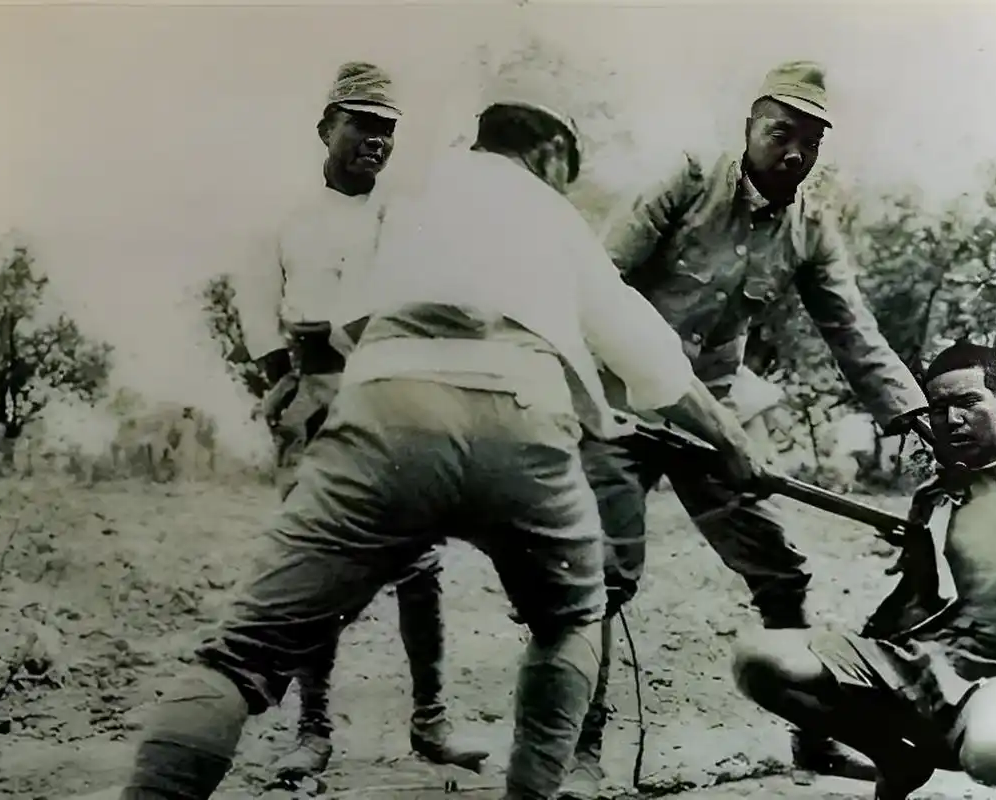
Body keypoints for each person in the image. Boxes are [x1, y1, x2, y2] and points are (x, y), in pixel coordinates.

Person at [121, 93, 770, 800]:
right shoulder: (556, 217)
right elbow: (648, 355)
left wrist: (303, 383)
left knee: (239, 657)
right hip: (521, 420)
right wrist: (732, 444)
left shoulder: (401, 198)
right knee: (572, 620)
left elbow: (329, 321)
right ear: (552, 150)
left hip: (390, 412)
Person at [557, 60, 930, 797]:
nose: (793, 152)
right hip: (618, 410)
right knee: (602, 581)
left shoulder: (809, 229)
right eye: (779, 133)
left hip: (708, 424)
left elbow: (851, 330)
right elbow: (599, 286)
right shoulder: (688, 181)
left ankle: (813, 742)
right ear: (748, 129)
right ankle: (580, 754)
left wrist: (912, 416)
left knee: (780, 572)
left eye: (809, 140)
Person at [729, 341, 996, 800]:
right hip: (918, 663)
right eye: (939, 408)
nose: (952, 419)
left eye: (968, 402)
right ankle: (894, 756)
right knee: (760, 659)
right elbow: (915, 597)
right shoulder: (935, 495)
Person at [234, 61, 486, 778]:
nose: (376, 142)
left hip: (394, 391)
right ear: (325, 128)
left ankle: (431, 724)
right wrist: (285, 383)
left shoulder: (404, 217)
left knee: (421, 563)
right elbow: (261, 309)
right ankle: (311, 730)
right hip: (315, 391)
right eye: (362, 126)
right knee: (317, 565)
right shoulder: (285, 221)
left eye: (387, 131)